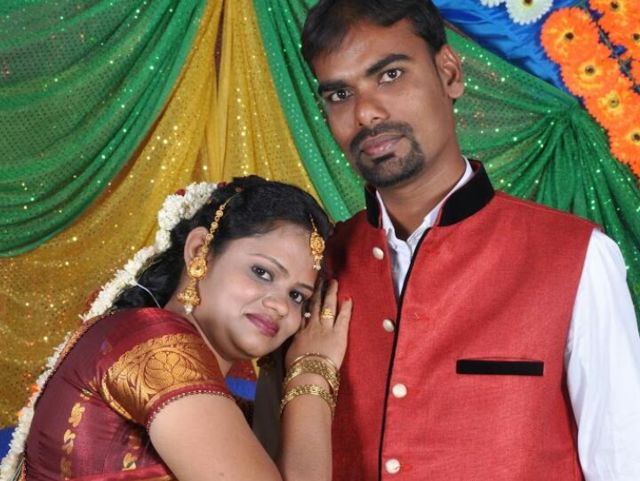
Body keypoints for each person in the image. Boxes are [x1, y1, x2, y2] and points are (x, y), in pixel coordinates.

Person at [268, 1, 639, 479]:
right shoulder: (314, 267)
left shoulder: (576, 256)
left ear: (449, 74)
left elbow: (622, 462)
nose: (366, 112)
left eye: (390, 75)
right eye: (340, 94)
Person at [3, 176, 351, 481]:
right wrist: (313, 371)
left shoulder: (217, 403)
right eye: (262, 272)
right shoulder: (152, 344)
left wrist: (288, 366)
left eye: (297, 296)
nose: (281, 306)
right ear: (199, 251)